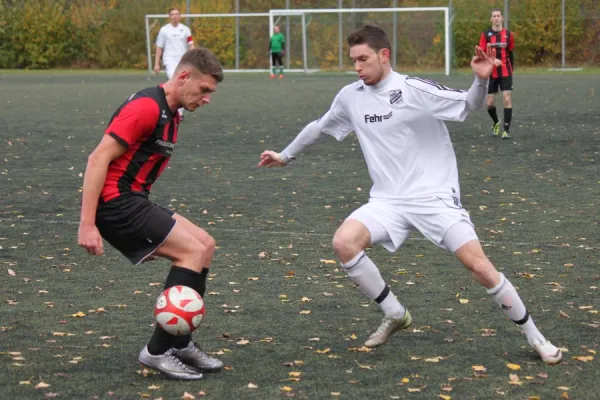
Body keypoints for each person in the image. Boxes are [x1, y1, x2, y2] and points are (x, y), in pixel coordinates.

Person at [258, 25, 561, 364]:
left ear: (384, 55)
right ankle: (394, 312)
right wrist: (285, 155)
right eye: (353, 61)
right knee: (345, 243)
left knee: (479, 266)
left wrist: (480, 80)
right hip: (387, 201)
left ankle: (536, 336)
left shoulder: (413, 89)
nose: (357, 67)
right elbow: (320, 126)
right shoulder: (351, 96)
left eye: (363, 59)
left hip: (434, 198)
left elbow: (469, 104)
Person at [78, 48, 225, 380]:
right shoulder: (146, 107)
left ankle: (180, 341)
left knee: (205, 244)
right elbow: (97, 159)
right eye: (204, 90)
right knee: (191, 252)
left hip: (132, 199)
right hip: (116, 205)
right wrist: (88, 224)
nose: (206, 99)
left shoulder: (171, 112)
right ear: (184, 77)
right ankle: (157, 352)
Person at [479, 8, 515, 139]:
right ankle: (496, 122)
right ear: (491, 19)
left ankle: (506, 130)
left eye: (498, 16)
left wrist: (512, 70)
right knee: (489, 104)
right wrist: (492, 61)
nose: (496, 18)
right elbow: (482, 54)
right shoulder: (485, 35)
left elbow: (510, 52)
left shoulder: (509, 35)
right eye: (494, 16)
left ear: (502, 18)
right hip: (491, 73)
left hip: (506, 72)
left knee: (507, 98)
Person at [154, 7, 195, 119]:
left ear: (180, 16)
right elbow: (159, 47)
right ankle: (170, 109)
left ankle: (179, 113)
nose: (175, 16)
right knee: (176, 81)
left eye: (177, 14)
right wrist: (156, 63)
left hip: (183, 60)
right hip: (169, 60)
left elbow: (191, 45)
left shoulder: (185, 29)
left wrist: (195, 59)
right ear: (169, 17)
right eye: (172, 14)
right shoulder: (164, 30)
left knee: (183, 84)